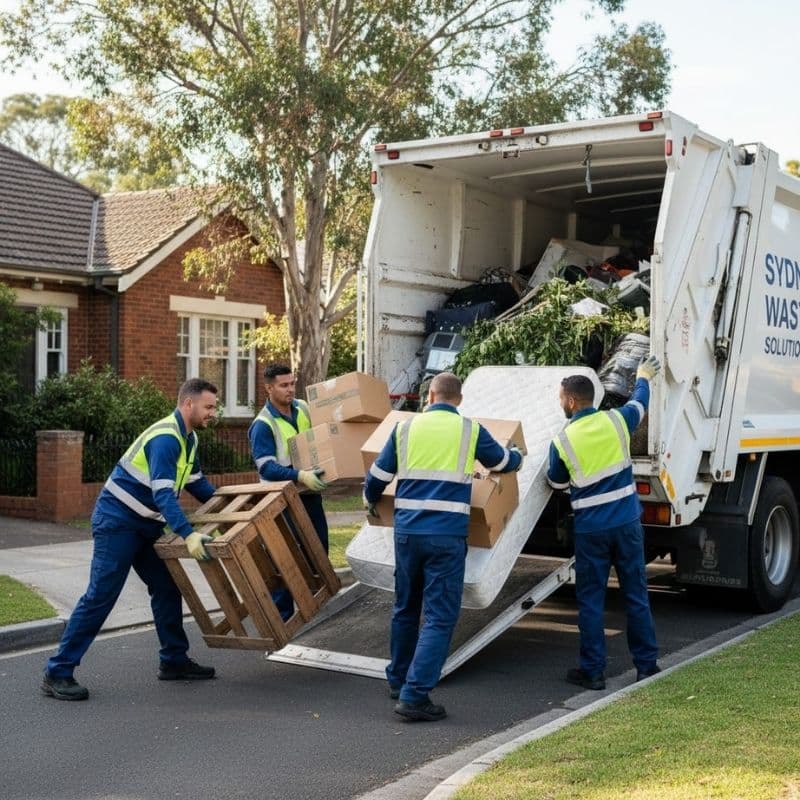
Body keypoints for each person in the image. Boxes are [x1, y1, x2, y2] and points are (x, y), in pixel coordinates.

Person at [42, 378, 221, 701]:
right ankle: (57, 671)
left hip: (145, 525)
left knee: (167, 587)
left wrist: (230, 509)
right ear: (188, 404)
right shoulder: (166, 438)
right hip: (119, 522)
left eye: (215, 408)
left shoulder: (188, 439)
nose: (213, 413)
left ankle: (174, 662)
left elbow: (198, 485)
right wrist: (188, 534)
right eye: (209, 407)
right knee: (101, 595)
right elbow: (165, 495)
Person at [364, 371, 523, 722]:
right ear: (459, 400)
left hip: (407, 534)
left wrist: (369, 500)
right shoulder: (470, 430)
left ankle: (399, 678)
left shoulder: (405, 428)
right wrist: (517, 458)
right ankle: (415, 695)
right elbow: (500, 463)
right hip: (446, 537)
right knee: (439, 615)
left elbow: (376, 478)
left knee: (405, 607)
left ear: (429, 396)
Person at [547, 356, 662, 691]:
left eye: (560, 399)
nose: (560, 404)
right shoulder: (616, 421)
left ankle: (593, 672)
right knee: (637, 594)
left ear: (570, 401)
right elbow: (640, 404)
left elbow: (555, 482)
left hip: (591, 530)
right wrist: (643, 377)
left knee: (592, 600)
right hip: (626, 523)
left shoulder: (562, 440)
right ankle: (646, 666)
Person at [248, 363, 330, 620]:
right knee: (284, 560)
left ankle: (317, 611)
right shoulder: (263, 424)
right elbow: (267, 468)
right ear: (269, 388)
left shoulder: (303, 408)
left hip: (308, 497)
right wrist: (299, 475)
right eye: (284, 385)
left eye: (292, 383)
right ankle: (284, 620)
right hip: (279, 503)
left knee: (318, 552)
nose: (290, 389)